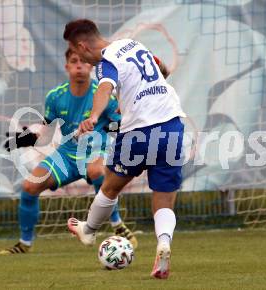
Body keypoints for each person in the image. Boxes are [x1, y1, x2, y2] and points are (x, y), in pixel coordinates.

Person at [63, 19, 186, 279]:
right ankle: (163, 244)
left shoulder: (106, 62)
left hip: (140, 131)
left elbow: (105, 88)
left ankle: (89, 230)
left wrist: (94, 116)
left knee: (110, 186)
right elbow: (162, 68)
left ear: (82, 46)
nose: (81, 59)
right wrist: (132, 98)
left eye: (77, 53)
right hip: (172, 124)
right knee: (164, 198)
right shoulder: (133, 44)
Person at [0, 48, 137, 255]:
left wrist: (113, 129)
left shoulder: (103, 94)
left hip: (96, 151)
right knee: (29, 186)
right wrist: (27, 138)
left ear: (91, 66)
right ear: (67, 67)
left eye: (83, 61)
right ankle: (24, 244)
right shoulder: (55, 96)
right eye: (74, 61)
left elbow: (119, 125)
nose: (79, 65)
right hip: (66, 155)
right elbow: (46, 134)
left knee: (96, 171)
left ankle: (117, 224)